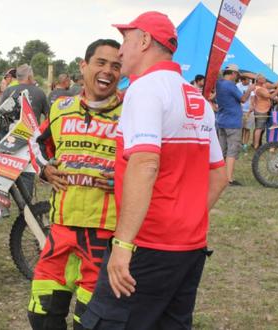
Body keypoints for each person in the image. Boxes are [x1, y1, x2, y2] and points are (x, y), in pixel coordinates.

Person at [81, 12, 228, 330]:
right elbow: (219, 175)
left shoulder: (145, 88)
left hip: (147, 247)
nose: (120, 52)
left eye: (125, 40)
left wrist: (123, 244)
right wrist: (185, 219)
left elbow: (145, 163)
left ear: (144, 41)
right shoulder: (196, 98)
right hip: (189, 250)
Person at [27, 39, 123, 330]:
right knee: (41, 317)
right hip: (61, 232)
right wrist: (44, 170)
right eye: (101, 62)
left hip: (104, 237)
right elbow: (35, 143)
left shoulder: (132, 111)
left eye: (116, 66)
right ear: (84, 66)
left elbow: (152, 163)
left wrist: (125, 178)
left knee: (91, 322)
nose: (108, 71)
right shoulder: (60, 107)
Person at [214, 64, 255, 186]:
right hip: (232, 122)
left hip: (221, 121)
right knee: (232, 151)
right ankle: (229, 179)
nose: (237, 77)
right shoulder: (230, 85)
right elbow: (242, 99)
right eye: (237, 75)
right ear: (232, 74)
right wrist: (249, 90)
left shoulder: (219, 83)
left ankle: (219, 177)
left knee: (222, 151)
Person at [252, 74, 278, 149]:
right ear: (258, 80)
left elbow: (273, 85)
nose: (265, 79)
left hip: (265, 109)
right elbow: (270, 96)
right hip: (261, 110)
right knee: (259, 128)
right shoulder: (259, 89)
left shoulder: (264, 85)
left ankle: (256, 144)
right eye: (263, 78)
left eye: (265, 78)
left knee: (260, 128)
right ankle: (256, 146)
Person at [236, 76, 254, 150]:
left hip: (249, 111)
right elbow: (237, 97)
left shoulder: (250, 86)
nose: (249, 81)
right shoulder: (237, 86)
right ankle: (239, 144)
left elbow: (252, 98)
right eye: (248, 80)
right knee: (240, 129)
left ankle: (245, 145)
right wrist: (240, 108)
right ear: (243, 80)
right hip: (240, 110)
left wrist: (250, 109)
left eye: (250, 80)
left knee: (247, 128)